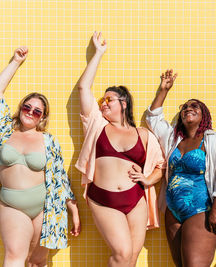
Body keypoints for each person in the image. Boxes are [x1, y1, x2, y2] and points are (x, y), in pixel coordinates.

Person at [0, 47, 81, 267]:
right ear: (21, 108)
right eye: (27, 107)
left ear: (43, 117)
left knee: (38, 262)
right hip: (13, 205)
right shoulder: (4, 130)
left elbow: (60, 177)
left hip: (45, 206)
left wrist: (74, 210)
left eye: (37, 111)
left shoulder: (48, 141)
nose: (30, 113)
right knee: (14, 256)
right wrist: (15, 61)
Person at [74, 32, 165, 267]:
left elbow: (161, 165)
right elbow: (84, 88)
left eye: (109, 99)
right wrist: (98, 53)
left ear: (123, 103)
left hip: (135, 199)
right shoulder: (96, 124)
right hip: (103, 197)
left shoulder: (143, 134)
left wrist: (147, 179)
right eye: (102, 101)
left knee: (131, 258)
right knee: (122, 253)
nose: (103, 103)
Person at [145, 69, 216, 267]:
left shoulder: (211, 139)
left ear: (204, 115)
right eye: (184, 107)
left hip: (202, 209)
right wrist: (163, 90)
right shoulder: (173, 139)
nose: (188, 109)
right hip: (172, 212)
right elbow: (153, 119)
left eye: (194, 107)